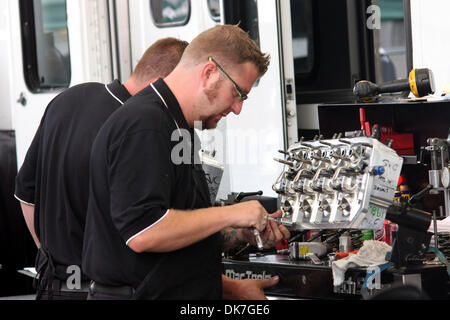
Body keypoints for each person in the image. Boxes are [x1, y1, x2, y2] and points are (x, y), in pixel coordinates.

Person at [82, 24, 290, 300]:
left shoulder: (180, 129)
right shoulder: (145, 124)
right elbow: (144, 232)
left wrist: (237, 234)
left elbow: (182, 225)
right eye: (238, 93)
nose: (238, 109)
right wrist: (232, 213)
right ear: (209, 72)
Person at [14, 37, 189, 300]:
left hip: (52, 286)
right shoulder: (140, 126)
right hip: (104, 291)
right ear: (160, 83)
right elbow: (147, 228)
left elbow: (27, 194)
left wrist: (54, 258)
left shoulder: (67, 99)